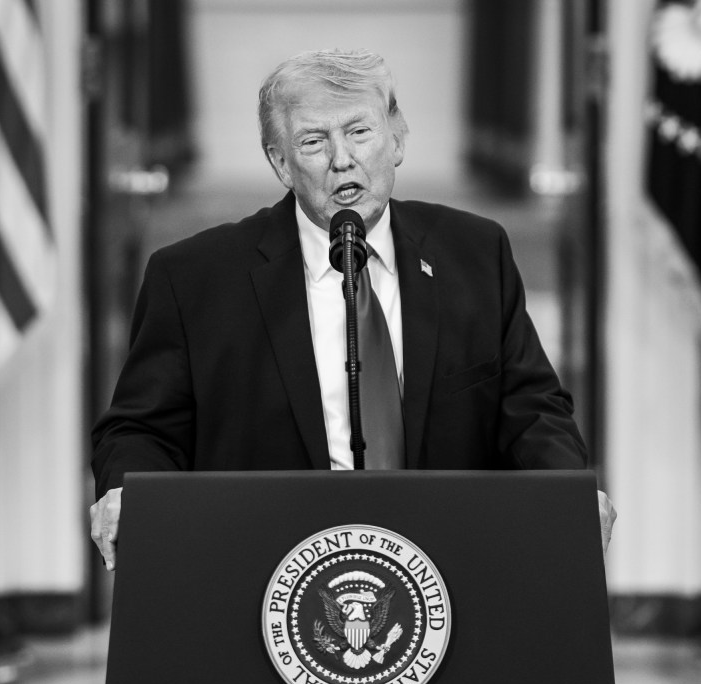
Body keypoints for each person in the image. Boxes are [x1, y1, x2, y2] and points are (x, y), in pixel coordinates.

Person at [90, 49, 615, 570]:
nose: (342, 159)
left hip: (448, 565)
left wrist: (566, 490)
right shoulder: (195, 279)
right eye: (314, 141)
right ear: (280, 162)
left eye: (360, 132)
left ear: (397, 138)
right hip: (261, 569)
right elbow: (140, 431)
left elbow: (531, 408)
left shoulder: (475, 254)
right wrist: (125, 491)